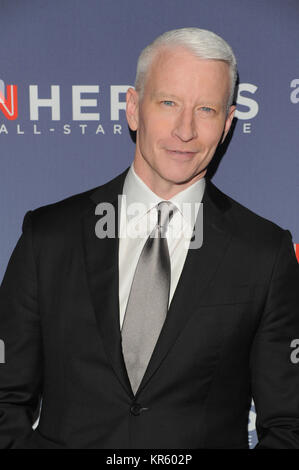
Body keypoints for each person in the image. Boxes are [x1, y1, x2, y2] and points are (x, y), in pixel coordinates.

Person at [0, 27, 298, 450]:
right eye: (169, 102)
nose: (185, 130)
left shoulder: (264, 253)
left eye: (207, 110)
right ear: (134, 108)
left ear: (229, 124)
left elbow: (290, 422)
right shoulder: (49, 237)